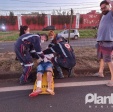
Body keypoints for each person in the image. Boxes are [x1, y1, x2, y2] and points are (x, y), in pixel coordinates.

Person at [96, 0, 113, 86]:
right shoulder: (104, 15)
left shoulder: (111, 13)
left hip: (108, 41)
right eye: (101, 8)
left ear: (109, 6)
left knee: (109, 60)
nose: (102, 9)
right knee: (102, 57)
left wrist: (109, 1)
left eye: (104, 7)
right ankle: (100, 72)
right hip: (101, 41)